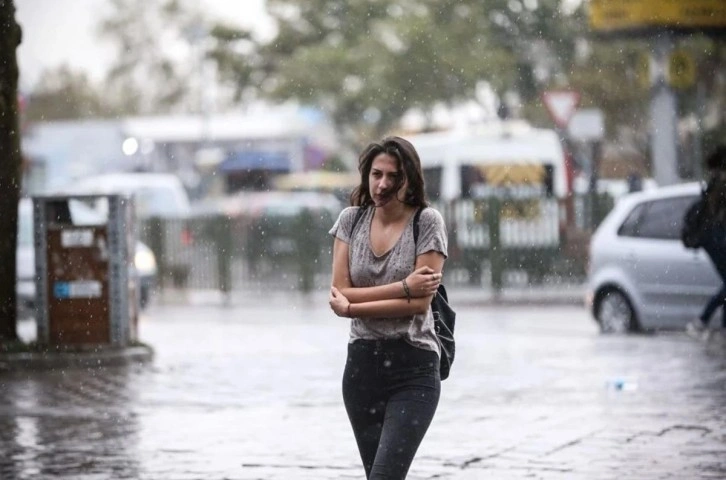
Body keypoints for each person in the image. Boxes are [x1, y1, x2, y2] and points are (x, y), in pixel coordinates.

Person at [328, 136, 448, 479]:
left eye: (393, 176)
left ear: (409, 179)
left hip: (413, 368)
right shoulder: (350, 220)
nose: (382, 184)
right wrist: (403, 287)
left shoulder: (426, 222)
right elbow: (338, 291)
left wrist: (353, 307)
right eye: (376, 174)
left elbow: (419, 303)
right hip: (361, 369)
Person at [686, 145, 726, 340]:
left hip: (714, 239)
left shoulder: (715, 183)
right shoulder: (719, 184)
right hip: (717, 239)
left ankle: (713, 324)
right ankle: (702, 320)